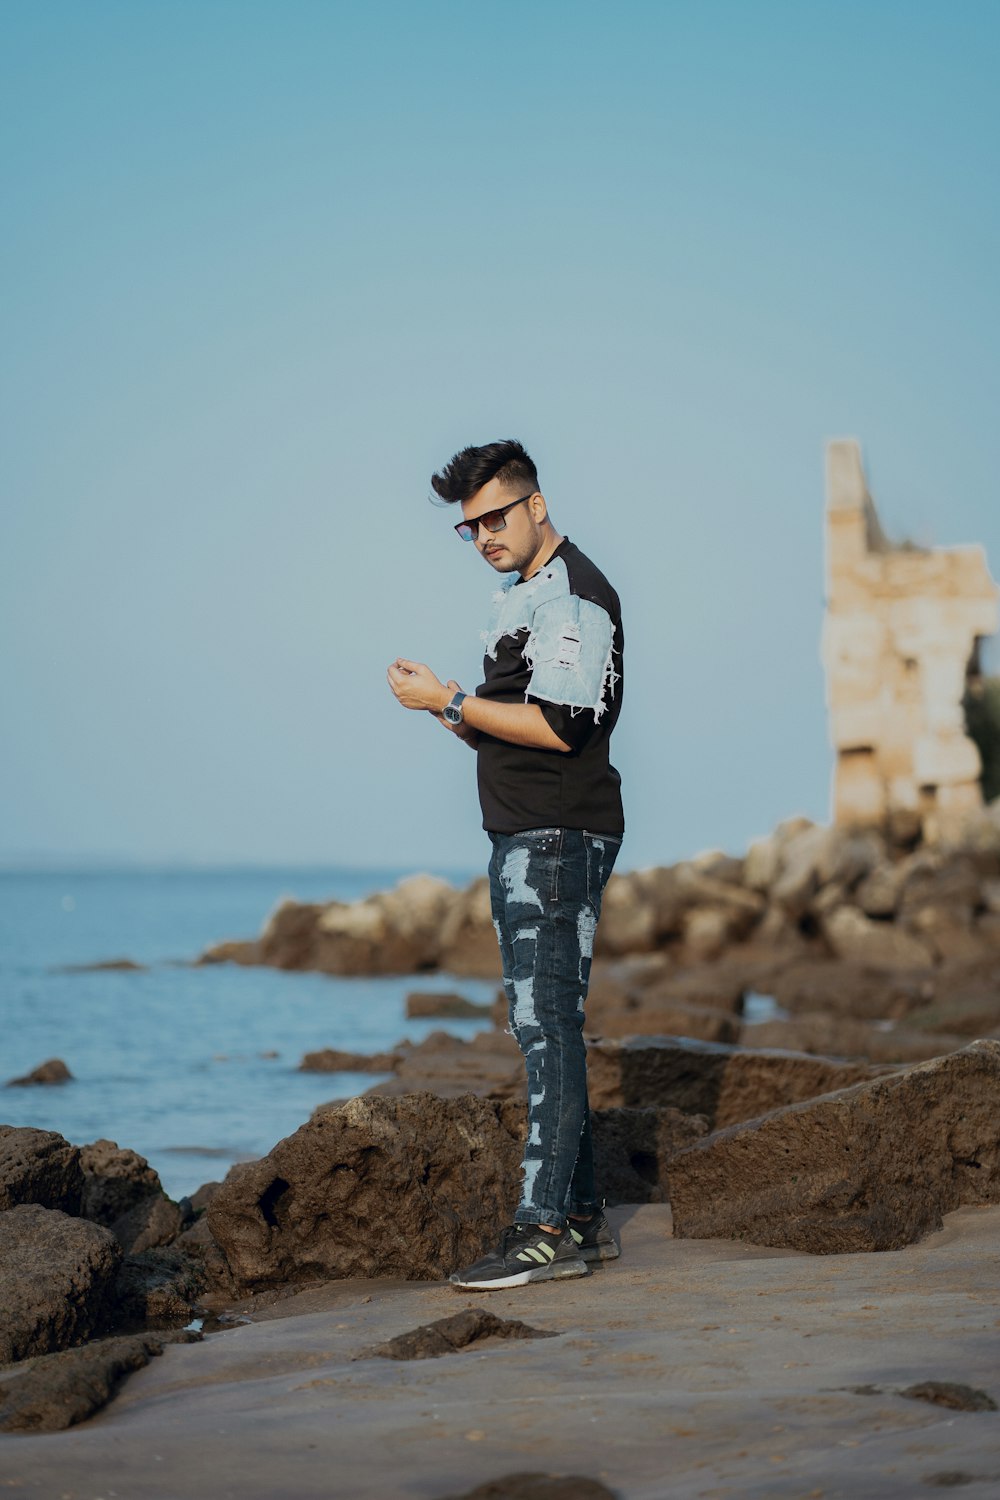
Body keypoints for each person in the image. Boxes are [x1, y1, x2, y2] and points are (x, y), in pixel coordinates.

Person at [386, 438, 625, 1290]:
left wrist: (452, 698)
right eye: (469, 525)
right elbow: (515, 721)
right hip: (528, 831)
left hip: (557, 835)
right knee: (544, 1023)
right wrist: (447, 706)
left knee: (545, 1026)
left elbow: (561, 727)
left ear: (537, 505)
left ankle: (545, 1229)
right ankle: (586, 1221)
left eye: (495, 516)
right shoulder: (521, 596)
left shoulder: (573, 597)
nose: (484, 533)